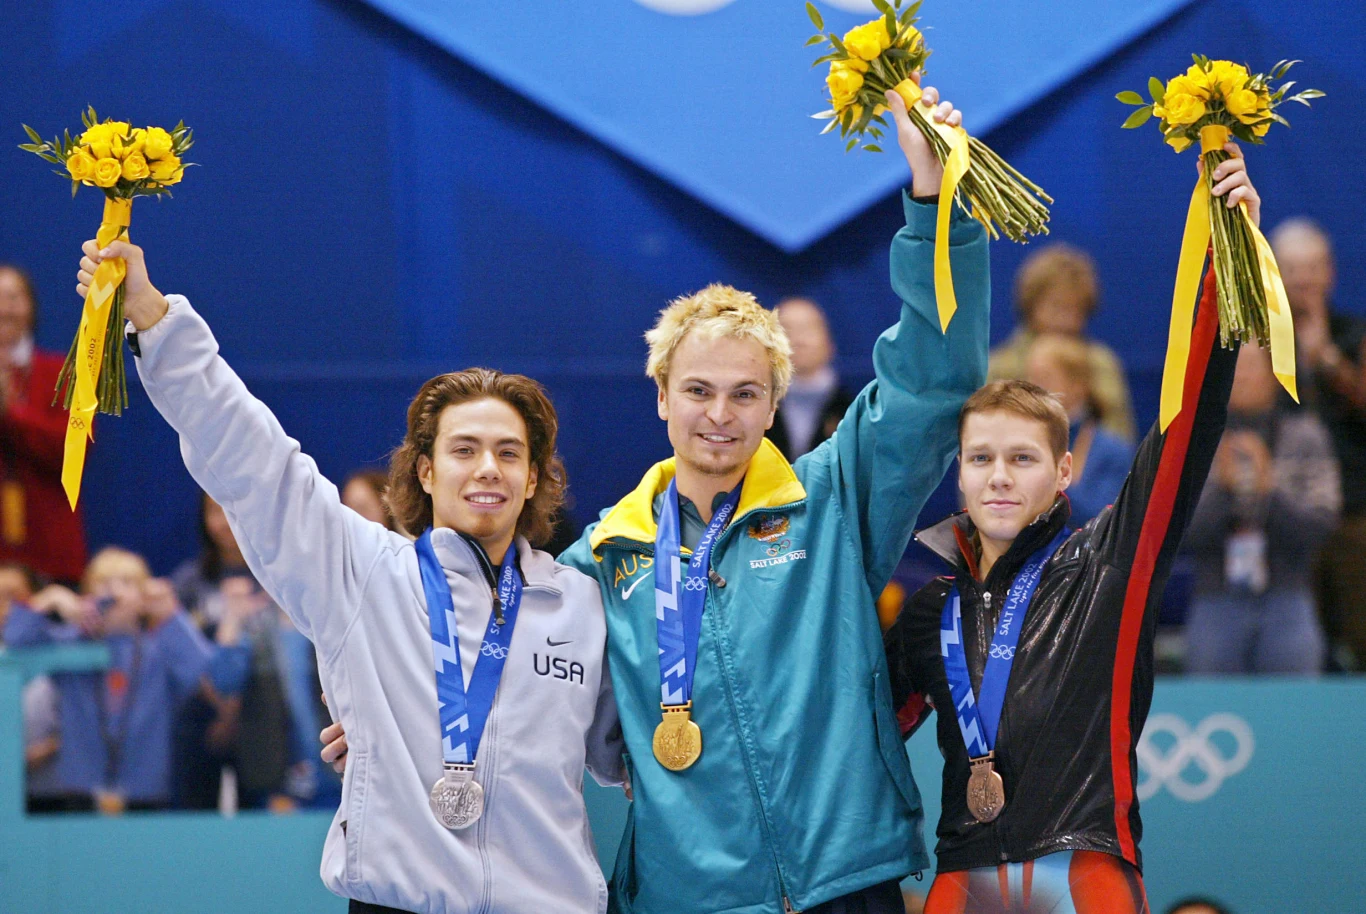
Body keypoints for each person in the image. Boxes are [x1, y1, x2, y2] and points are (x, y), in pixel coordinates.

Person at [77, 239, 624, 913]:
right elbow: (252, 460)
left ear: (533, 476)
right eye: (464, 449)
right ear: (425, 471)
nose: (488, 468)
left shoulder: (580, 604)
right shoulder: (364, 572)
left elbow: (630, 751)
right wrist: (155, 319)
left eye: (509, 453)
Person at [556, 81, 989, 914]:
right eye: (698, 390)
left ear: (776, 402)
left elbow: (935, 381)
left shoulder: (830, 499)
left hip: (845, 880)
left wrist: (934, 204)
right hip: (688, 898)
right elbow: (500, 673)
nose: (720, 416)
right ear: (660, 395)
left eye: (746, 395)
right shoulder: (599, 562)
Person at [882, 144, 1259, 912]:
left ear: (1063, 474)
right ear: (956, 472)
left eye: (1022, 457)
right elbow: (854, 741)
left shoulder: (1109, 567)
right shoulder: (929, 614)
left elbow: (1188, 427)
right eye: (980, 456)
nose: (997, 474)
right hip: (960, 876)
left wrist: (1229, 256)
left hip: (1085, 870)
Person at [4, 547, 219, 812]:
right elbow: (14, 646)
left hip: (147, 793)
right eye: (103, 583)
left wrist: (172, 616)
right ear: (87, 595)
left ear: (143, 596)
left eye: (127, 583)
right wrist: (48, 600)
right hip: (80, 791)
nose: (114, 592)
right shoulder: (71, 643)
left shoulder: (160, 648)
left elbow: (209, 674)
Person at [1181, 344, 1339, 673]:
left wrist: (1271, 493)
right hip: (1215, 594)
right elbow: (1177, 532)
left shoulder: (1307, 437)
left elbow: (1322, 525)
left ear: (1275, 374)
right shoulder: (1194, 439)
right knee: (1210, 702)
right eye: (1233, 367)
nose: (1240, 377)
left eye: (1251, 366)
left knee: (1294, 706)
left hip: (1289, 591)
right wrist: (1223, 493)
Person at [1271, 218, 1366, 670]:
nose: (1304, 280)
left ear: (1329, 271)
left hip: (1355, 516)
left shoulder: (1355, 336)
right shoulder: (1259, 340)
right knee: (1301, 650)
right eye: (1292, 269)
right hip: (1287, 520)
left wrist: (1326, 357)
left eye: (1312, 267)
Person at [987, 244, 1137, 442]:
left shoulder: (1101, 364)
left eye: (1075, 309)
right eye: (1056, 307)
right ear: (1031, 305)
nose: (1064, 321)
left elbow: (1121, 441)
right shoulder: (1000, 368)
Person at [0, 264, 87, 584]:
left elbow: (74, 452)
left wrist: (13, 413)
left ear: (30, 307)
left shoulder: (60, 373)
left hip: (51, 555)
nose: (4, 308)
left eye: (12, 297)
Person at [1025, 333, 1134, 526]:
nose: (1032, 389)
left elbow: (1103, 520)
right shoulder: (1017, 443)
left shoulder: (1114, 452)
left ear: (1077, 386)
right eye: (1030, 379)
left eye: (1045, 379)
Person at [766, 297, 853, 459]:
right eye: (787, 330)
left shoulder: (853, 409)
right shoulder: (757, 405)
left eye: (808, 329)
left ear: (830, 343)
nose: (799, 340)